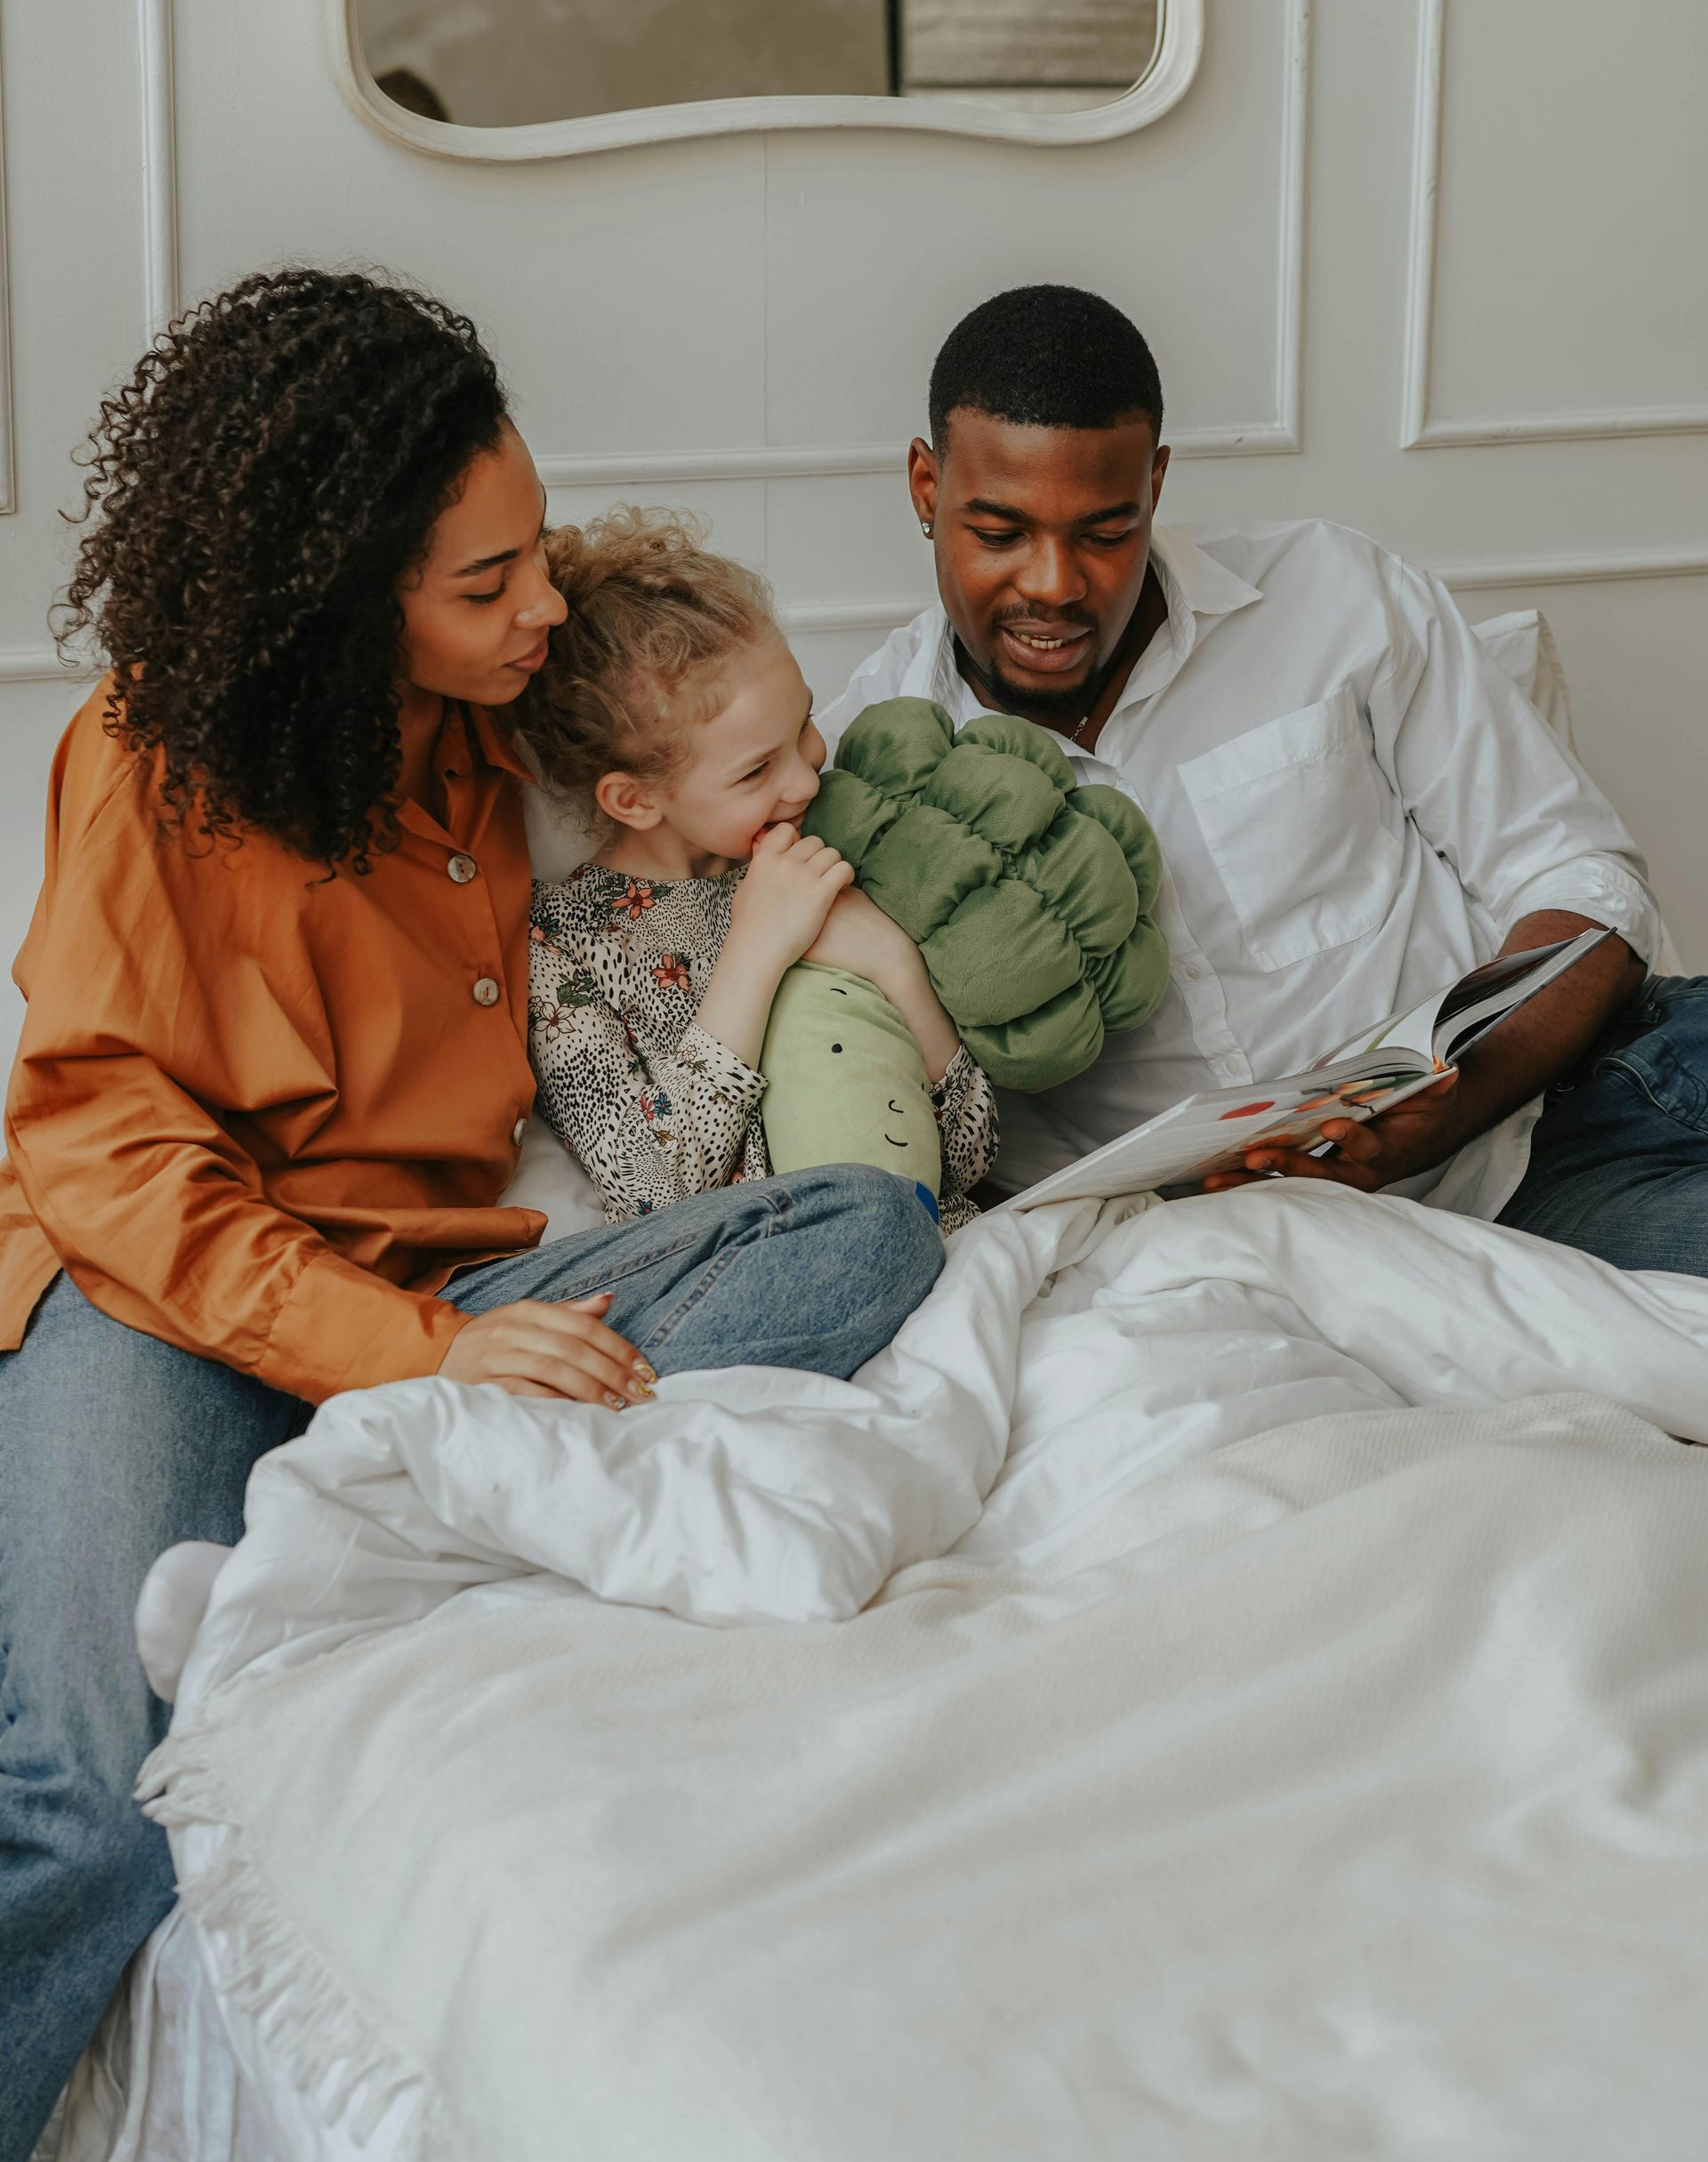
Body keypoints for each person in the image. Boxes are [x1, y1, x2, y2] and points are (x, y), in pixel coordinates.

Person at [0, 273, 944, 2158]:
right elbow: (106, 1148)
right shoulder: (151, 757)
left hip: (446, 1272)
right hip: (167, 1291)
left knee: (869, 1232)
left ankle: (428, 1463)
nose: (543, 605)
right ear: (350, 595)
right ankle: (427, 1446)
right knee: (106, 1796)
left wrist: (813, 906)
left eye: (535, 549)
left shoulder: (500, 714)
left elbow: (683, 744)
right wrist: (422, 1360)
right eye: (490, 580)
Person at [819, 282, 1707, 1274]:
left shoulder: (1333, 594)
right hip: (1312, 1252)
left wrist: (1441, 1105)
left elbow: (1585, 880)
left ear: (1155, 484)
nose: (1054, 584)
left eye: (1105, 532)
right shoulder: (850, 773)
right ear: (924, 487)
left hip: (1567, 1109)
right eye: (1000, 532)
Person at [520, 508, 997, 1231]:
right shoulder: (566, 942)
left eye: (803, 725)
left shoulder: (827, 847)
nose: (806, 780)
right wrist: (756, 949)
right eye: (754, 772)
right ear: (635, 798)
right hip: (783, 1271)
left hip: (942, 1238)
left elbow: (969, 1156)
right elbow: (653, 1193)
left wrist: (897, 966)